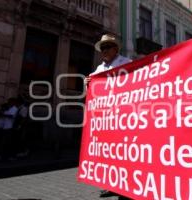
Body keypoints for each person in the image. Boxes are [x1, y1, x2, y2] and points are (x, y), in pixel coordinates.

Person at [84, 34, 132, 198]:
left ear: (116, 49)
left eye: (107, 47)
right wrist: (88, 83)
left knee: (121, 153)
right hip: (105, 118)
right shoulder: (98, 69)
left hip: (121, 115)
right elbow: (93, 90)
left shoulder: (126, 63)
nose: (104, 51)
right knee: (108, 153)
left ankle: (124, 184)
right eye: (102, 48)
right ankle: (110, 184)